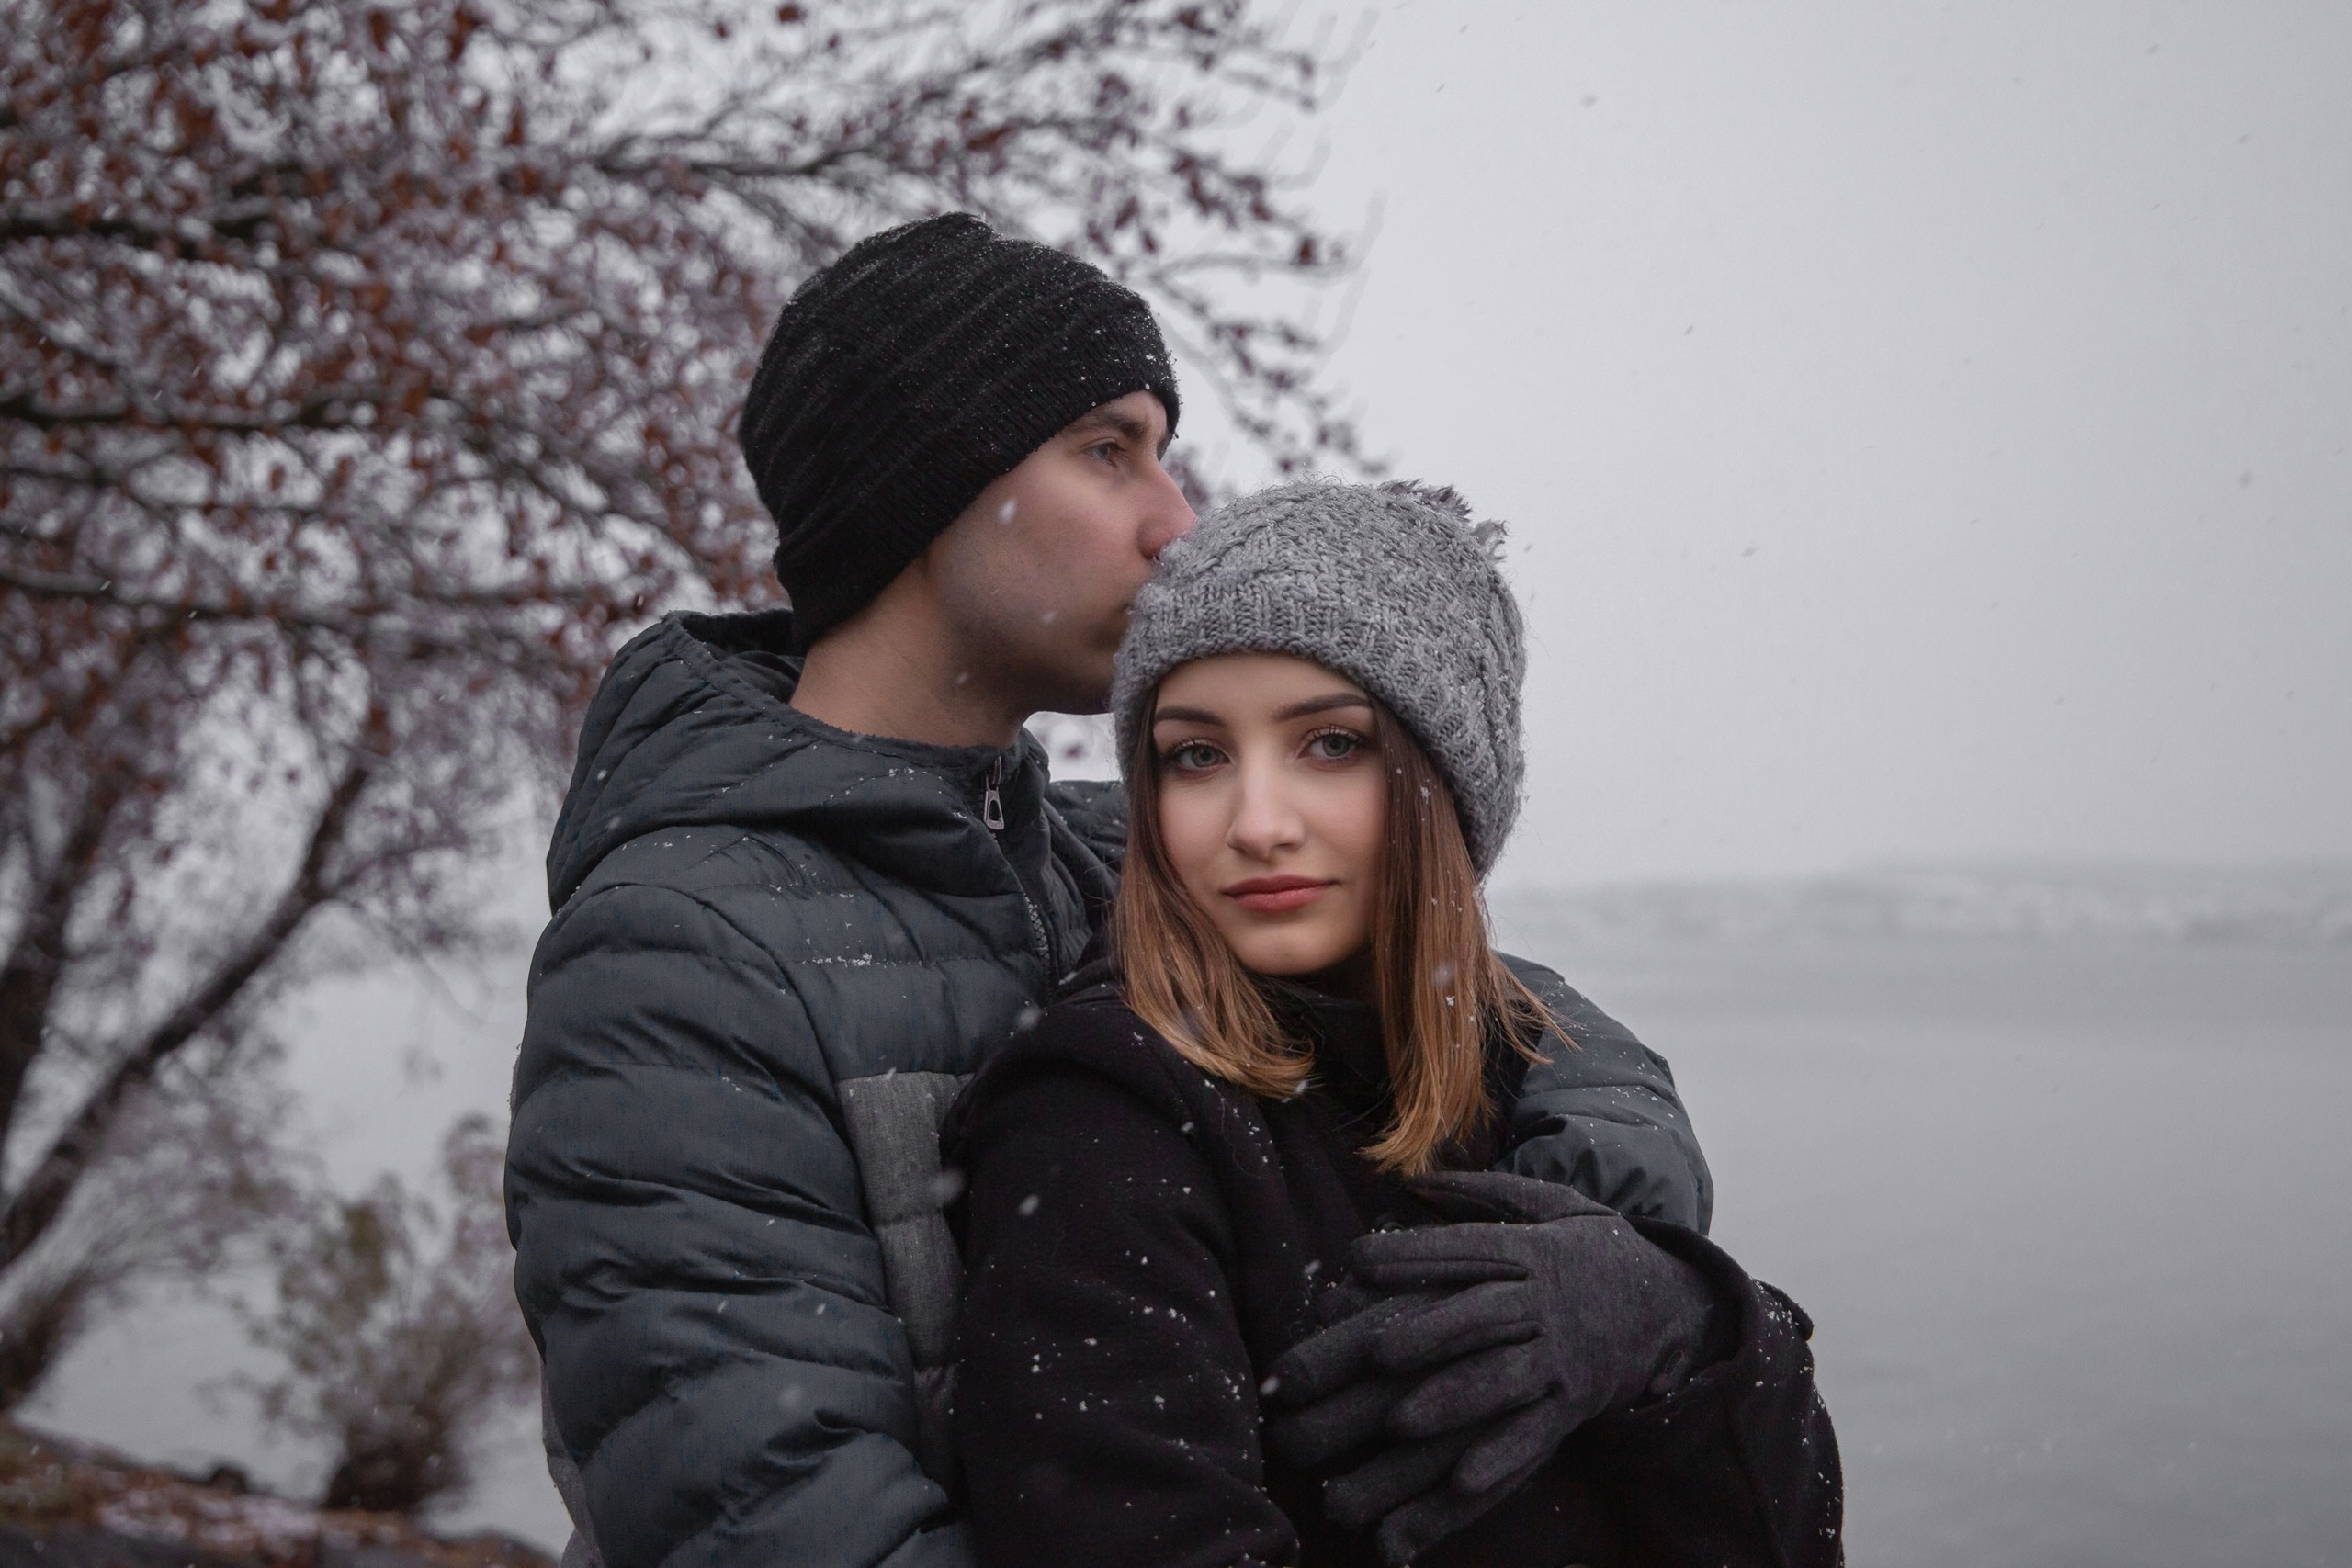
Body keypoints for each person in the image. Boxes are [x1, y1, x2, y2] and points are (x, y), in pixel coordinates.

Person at [507, 212, 1716, 1568]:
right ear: (926, 482)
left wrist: (1618, 1264)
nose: (1174, 518)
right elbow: (766, 1516)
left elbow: (1509, 1011)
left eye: (1165, 451)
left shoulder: (1103, 850)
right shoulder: (677, 954)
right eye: (1108, 449)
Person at [945, 480, 1842, 1567]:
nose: (1258, 823)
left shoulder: (1524, 1079)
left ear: (1447, 785)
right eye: (1197, 755)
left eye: (1329, 745)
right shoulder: (1108, 1112)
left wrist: (1680, 1327)